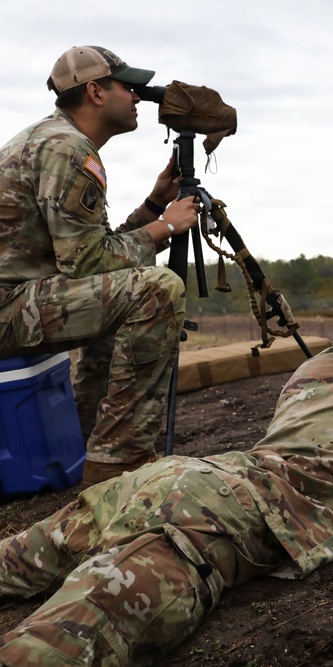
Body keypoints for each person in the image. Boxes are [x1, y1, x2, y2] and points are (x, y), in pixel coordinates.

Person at [0, 255, 333, 666]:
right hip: (216, 521)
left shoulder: (311, 367)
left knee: (13, 562)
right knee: (53, 647)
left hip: (176, 479)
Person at [0, 46, 201, 486]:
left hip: (17, 301)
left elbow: (96, 253)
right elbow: (88, 263)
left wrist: (153, 206)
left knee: (125, 288)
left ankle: (91, 440)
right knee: (155, 290)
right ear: (95, 91)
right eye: (127, 86)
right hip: (7, 310)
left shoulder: (50, 138)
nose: (136, 97)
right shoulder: (68, 149)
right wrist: (167, 227)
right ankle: (118, 461)